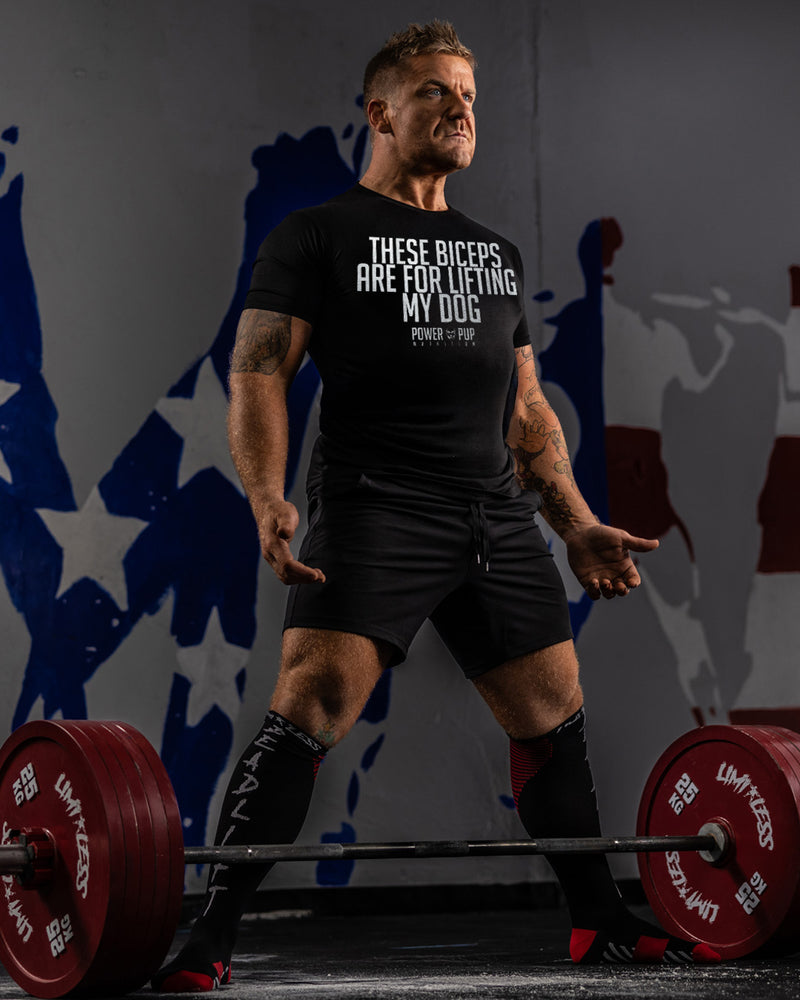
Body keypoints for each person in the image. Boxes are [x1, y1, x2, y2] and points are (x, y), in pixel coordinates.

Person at [152, 21, 719, 992]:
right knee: (313, 705)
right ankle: (212, 931)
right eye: (433, 92)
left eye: (467, 93)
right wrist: (264, 495)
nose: (460, 106)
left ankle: (594, 919)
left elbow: (527, 411)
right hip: (377, 504)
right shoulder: (316, 234)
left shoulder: (493, 257)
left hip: (491, 514)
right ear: (378, 111)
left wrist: (573, 518)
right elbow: (259, 373)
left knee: (552, 711)